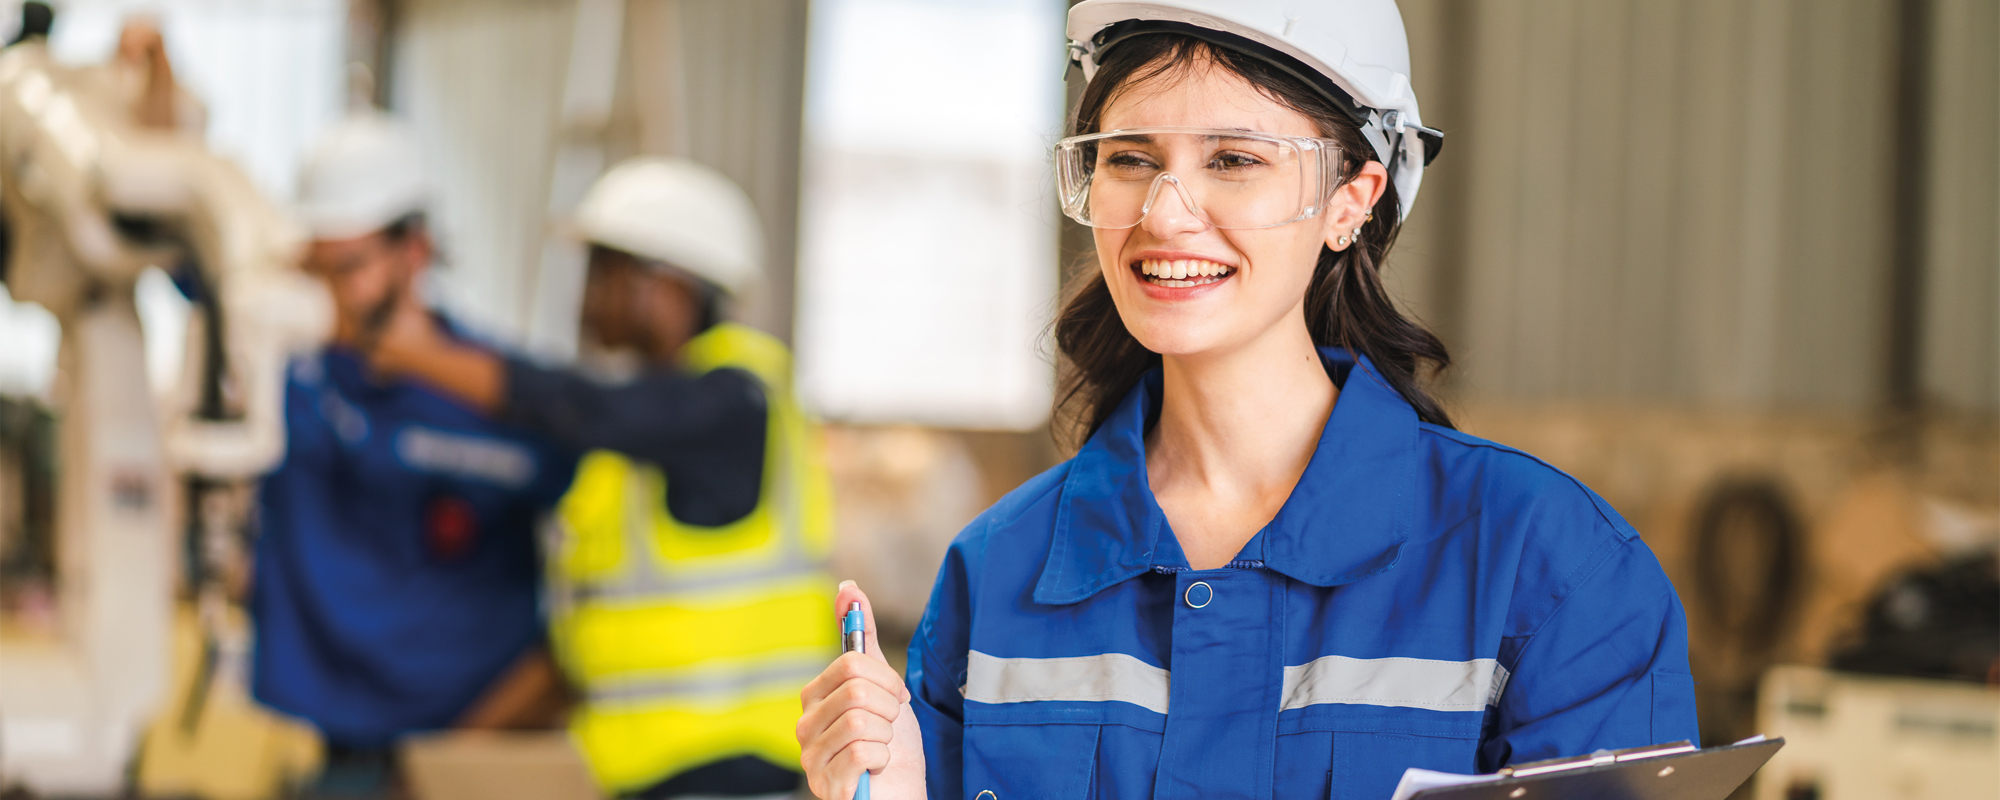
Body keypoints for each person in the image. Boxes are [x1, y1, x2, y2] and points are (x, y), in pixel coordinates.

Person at [797, 2, 1700, 799]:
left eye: (1232, 159)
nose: (1164, 211)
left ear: (1352, 199)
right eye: (1128, 159)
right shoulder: (998, 575)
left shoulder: (1546, 566)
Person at [366, 157, 838, 800]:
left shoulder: (732, 405)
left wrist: (416, 352)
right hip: (644, 778)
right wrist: (441, 761)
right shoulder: (624, 463)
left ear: (668, 287)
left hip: (741, 773)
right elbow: (578, 650)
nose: (585, 298)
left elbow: (581, 405)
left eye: (604, 274)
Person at [252, 113, 578, 787]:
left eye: (351, 267)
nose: (331, 294)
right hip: (339, 755)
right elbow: (170, 224)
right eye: (316, 268)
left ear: (416, 250)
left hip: (471, 761)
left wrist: (456, 760)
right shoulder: (293, 381)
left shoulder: (502, 404)